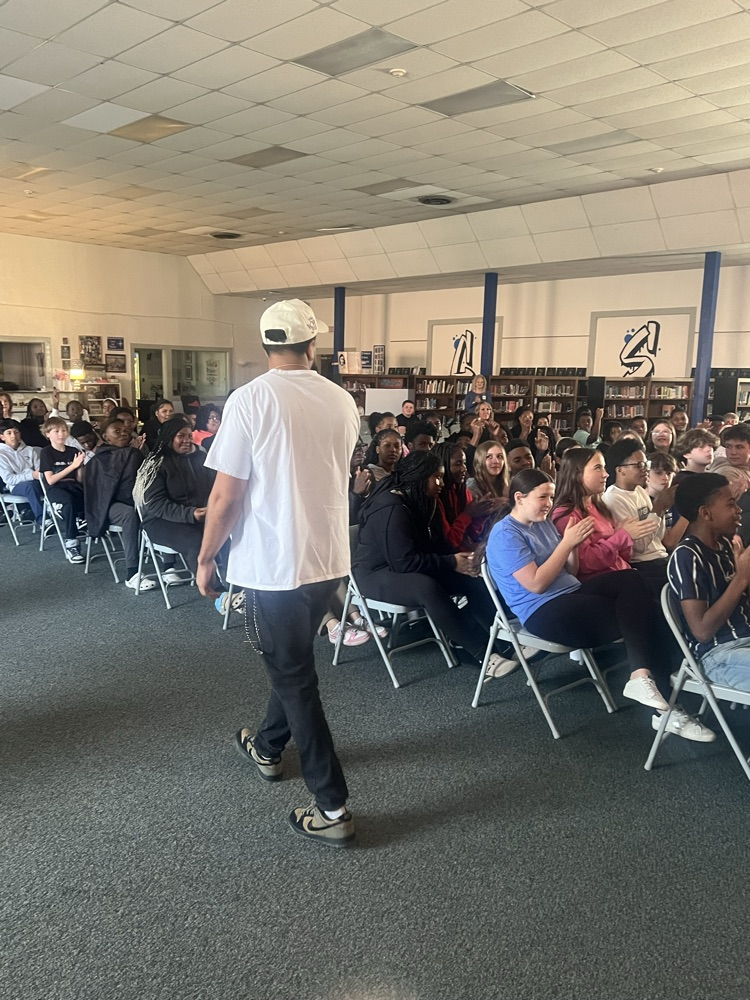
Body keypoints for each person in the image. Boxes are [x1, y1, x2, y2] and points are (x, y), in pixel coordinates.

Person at [195, 299, 360, 848]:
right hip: (327, 560)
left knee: (295, 676)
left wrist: (205, 557)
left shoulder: (248, 400)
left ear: (265, 345)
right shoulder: (342, 401)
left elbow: (225, 495)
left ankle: (332, 806)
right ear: (313, 346)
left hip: (273, 565)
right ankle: (267, 746)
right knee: (291, 662)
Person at [486, 469, 713, 740]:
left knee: (631, 579)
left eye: (550, 495)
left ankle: (642, 679)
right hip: (543, 611)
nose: (549, 503)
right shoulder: (505, 534)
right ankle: (665, 707)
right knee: (648, 615)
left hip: (572, 592)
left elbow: (571, 570)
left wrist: (572, 547)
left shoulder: (541, 521)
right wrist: (567, 543)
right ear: (519, 498)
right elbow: (536, 584)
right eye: (543, 497)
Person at [353, 450, 518, 680]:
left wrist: (461, 561)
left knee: (469, 576)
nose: (441, 483)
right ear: (419, 477)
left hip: (403, 565)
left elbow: (436, 543)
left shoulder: (421, 500)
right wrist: (451, 562)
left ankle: (505, 640)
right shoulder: (391, 506)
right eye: (436, 478)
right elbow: (404, 563)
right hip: (374, 574)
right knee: (426, 587)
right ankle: (484, 654)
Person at [668, 472, 750, 696]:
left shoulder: (724, 545)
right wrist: (741, 578)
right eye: (731, 504)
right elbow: (702, 631)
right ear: (705, 513)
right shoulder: (687, 556)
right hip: (719, 655)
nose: (739, 510)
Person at [133, 415, 222, 578]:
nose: (187, 440)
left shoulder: (201, 458)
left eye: (189, 436)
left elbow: (216, 488)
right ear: (169, 438)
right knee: (195, 540)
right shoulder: (155, 463)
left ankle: (242, 589)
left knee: (233, 533)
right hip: (160, 521)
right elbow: (156, 505)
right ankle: (218, 594)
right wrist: (191, 514)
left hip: (198, 516)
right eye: (181, 436)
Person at [551, 447, 657, 582]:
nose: (606, 474)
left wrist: (621, 535)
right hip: (599, 581)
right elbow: (586, 563)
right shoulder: (567, 514)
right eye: (598, 468)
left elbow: (623, 557)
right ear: (577, 474)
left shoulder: (599, 506)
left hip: (622, 572)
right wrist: (622, 536)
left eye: (604, 468)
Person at [84, 417, 149, 591]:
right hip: (110, 506)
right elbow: (104, 492)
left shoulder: (134, 452)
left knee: (159, 506)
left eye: (125, 430)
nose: (123, 433)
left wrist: (133, 453)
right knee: (129, 514)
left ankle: (168, 566)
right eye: (117, 431)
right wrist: (131, 453)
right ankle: (132, 573)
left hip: (135, 501)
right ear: (106, 437)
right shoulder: (99, 459)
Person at [602, 438, 671, 598]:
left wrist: (659, 511)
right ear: (620, 470)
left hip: (660, 557)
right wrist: (658, 508)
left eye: (646, 464)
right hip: (643, 564)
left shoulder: (640, 490)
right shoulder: (613, 499)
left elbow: (658, 537)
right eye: (639, 465)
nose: (645, 469)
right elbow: (639, 547)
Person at [39, 415, 86, 564]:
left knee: (93, 496)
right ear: (48, 434)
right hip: (55, 488)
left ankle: (84, 521)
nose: (61, 434)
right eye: (56, 431)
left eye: (64, 430)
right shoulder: (46, 452)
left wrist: (80, 466)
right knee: (68, 502)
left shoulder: (73, 450)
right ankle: (71, 543)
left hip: (73, 485)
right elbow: (50, 480)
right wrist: (72, 466)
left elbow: (79, 479)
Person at [349, 428, 403, 523]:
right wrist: (355, 494)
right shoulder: (370, 472)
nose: (393, 450)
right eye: (387, 446)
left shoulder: (366, 473)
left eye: (360, 446)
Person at [0, 418, 43, 524]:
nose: (13, 436)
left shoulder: (30, 450)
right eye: (9, 433)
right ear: (2, 436)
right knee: (30, 486)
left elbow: (39, 468)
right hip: (16, 486)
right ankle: (43, 520)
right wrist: (31, 475)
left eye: (16, 432)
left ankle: (60, 512)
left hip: (36, 481)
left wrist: (37, 474)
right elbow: (9, 478)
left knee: (53, 481)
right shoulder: (1, 454)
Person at [647, 451, 686, 550]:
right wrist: (690, 509)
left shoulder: (672, 499)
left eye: (669, 473)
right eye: (658, 473)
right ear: (647, 474)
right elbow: (669, 542)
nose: (665, 478)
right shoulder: (643, 500)